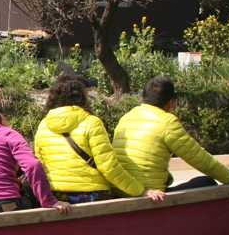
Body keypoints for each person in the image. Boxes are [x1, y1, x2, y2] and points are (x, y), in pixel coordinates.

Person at [34, 73, 164, 204]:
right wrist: (140, 190)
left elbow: (40, 166)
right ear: (81, 95)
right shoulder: (92, 123)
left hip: (59, 197)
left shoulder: (44, 125)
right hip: (91, 194)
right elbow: (108, 166)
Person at [113, 76, 229, 192]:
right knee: (207, 181)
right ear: (172, 102)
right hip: (151, 193)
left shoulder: (126, 117)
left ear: (143, 98)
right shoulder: (167, 123)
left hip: (122, 190)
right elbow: (198, 157)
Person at [0, 92, 71, 216]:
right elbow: (33, 165)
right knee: (29, 194)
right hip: (5, 203)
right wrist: (48, 200)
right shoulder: (7, 133)